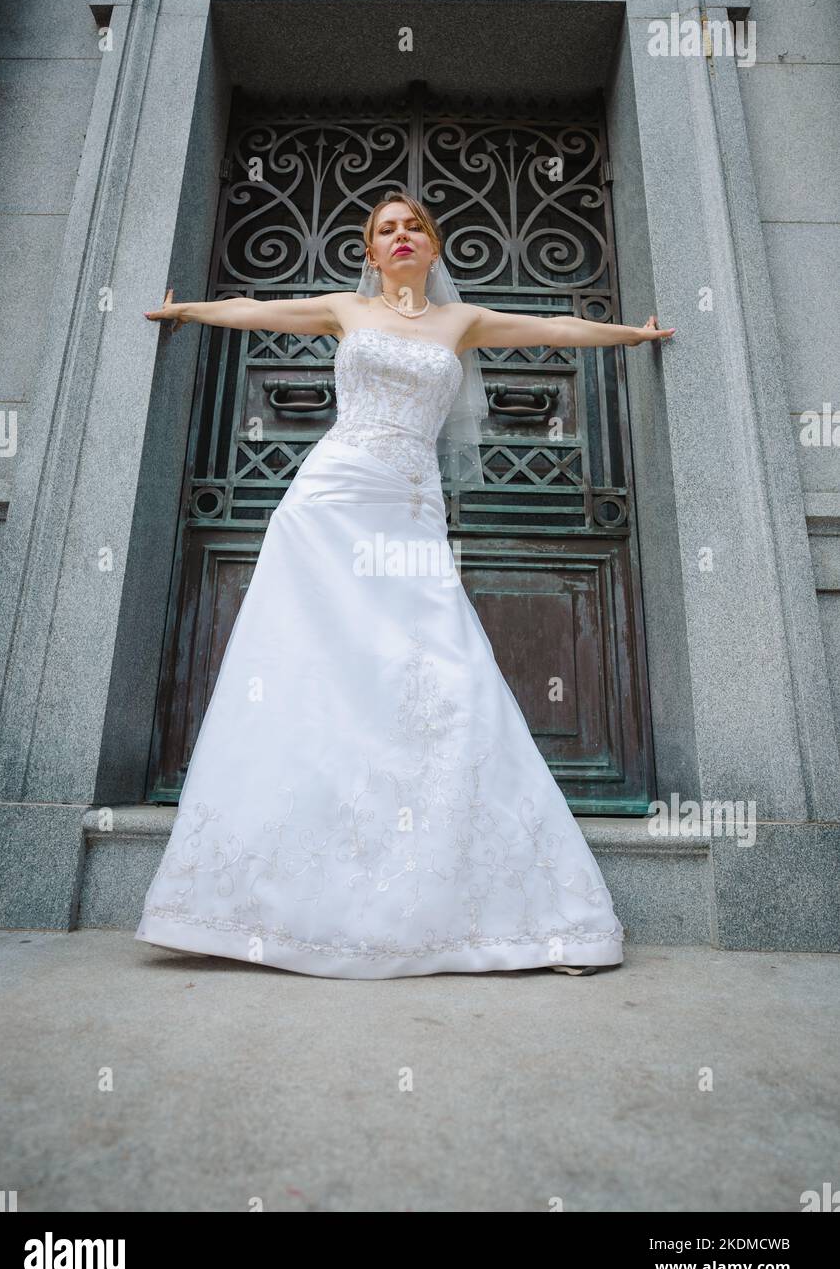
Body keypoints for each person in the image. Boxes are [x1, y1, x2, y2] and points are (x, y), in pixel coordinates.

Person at [136, 191, 674, 979]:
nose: (398, 236)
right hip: (328, 502)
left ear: (430, 244)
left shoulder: (462, 324)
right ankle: (250, 903)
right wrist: (189, 315)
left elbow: (557, 330)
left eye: (411, 226)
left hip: (409, 508)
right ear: (368, 251)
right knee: (312, 667)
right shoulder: (342, 312)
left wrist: (635, 334)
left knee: (440, 670)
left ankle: (506, 913)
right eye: (384, 229)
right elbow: (260, 310)